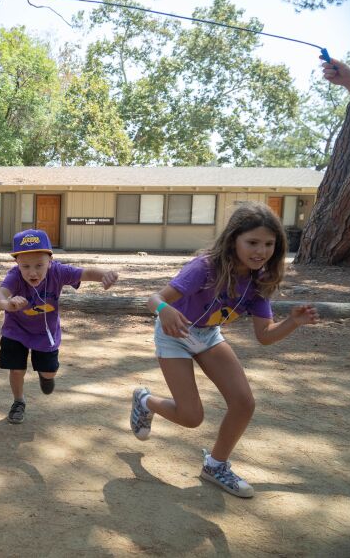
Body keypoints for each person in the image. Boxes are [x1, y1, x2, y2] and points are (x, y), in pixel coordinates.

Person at [129, 202, 320, 498]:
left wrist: (293, 322)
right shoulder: (205, 268)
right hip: (174, 334)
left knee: (244, 403)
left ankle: (216, 465)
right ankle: (145, 401)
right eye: (253, 242)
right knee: (192, 417)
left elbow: (265, 336)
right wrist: (164, 310)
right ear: (234, 240)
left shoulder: (259, 281)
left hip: (207, 336)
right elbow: (153, 299)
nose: (261, 251)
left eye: (269, 244)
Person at [0, 229, 118, 424]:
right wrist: (8, 304)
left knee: (49, 371)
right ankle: (18, 402)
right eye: (25, 266)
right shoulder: (15, 276)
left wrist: (104, 275)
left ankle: (46, 375)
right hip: (16, 329)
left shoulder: (58, 272)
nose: (32, 272)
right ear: (16, 263)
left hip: (45, 332)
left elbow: (86, 273)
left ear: (50, 261)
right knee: (16, 369)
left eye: (39, 265)